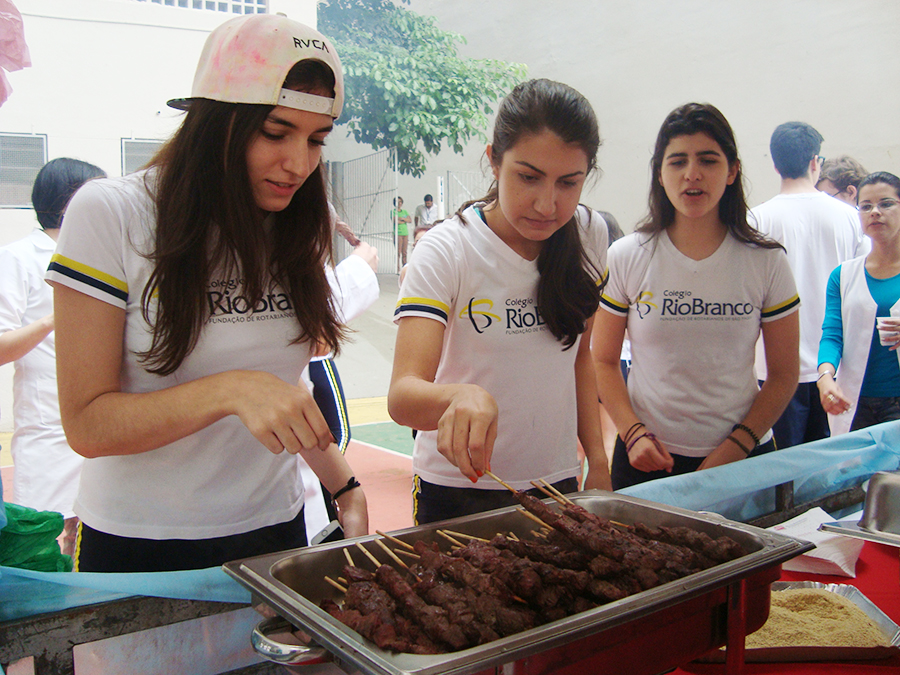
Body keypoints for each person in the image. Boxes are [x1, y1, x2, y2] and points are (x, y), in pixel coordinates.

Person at [45, 14, 367, 573]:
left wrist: (346, 487)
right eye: (275, 132)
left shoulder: (294, 220)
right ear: (214, 122)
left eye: (317, 140)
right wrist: (231, 390)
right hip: (142, 543)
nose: (298, 164)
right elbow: (87, 424)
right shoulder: (112, 214)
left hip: (276, 531)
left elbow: (284, 391)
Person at [389, 78, 611, 525]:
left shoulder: (590, 234)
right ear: (493, 160)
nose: (547, 204)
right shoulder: (448, 248)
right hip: (459, 489)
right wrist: (458, 396)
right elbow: (402, 396)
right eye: (528, 177)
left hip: (558, 481)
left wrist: (599, 465)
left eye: (569, 182)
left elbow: (580, 358)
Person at [592, 103, 800, 491]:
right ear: (659, 172)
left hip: (741, 459)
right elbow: (602, 360)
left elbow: (785, 375)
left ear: (732, 170)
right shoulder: (626, 256)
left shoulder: (767, 261)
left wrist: (736, 448)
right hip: (645, 458)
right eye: (677, 162)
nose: (692, 174)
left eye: (708, 160)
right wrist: (631, 432)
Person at [0, 157, 106, 554]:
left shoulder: (100, 254)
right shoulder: (18, 258)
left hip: (101, 422)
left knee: (94, 530)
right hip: (47, 431)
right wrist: (54, 319)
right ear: (69, 203)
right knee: (48, 539)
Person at [750, 122, 865, 450]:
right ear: (816, 162)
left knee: (780, 476)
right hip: (834, 366)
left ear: (775, 165)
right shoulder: (849, 217)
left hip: (770, 367)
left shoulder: (755, 220)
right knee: (828, 472)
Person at [818, 171, 900, 434]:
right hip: (854, 402)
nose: (875, 212)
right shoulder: (843, 275)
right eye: (865, 206)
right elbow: (832, 334)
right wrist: (825, 377)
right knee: (853, 473)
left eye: (886, 203)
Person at [392, 196, 412, 269]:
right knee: (398, 252)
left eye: (400, 202)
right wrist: (404, 220)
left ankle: (405, 267)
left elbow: (409, 220)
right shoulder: (393, 212)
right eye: (397, 202)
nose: (399, 203)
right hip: (398, 234)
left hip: (405, 233)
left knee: (404, 252)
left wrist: (402, 219)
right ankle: (397, 268)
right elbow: (395, 221)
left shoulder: (404, 211)